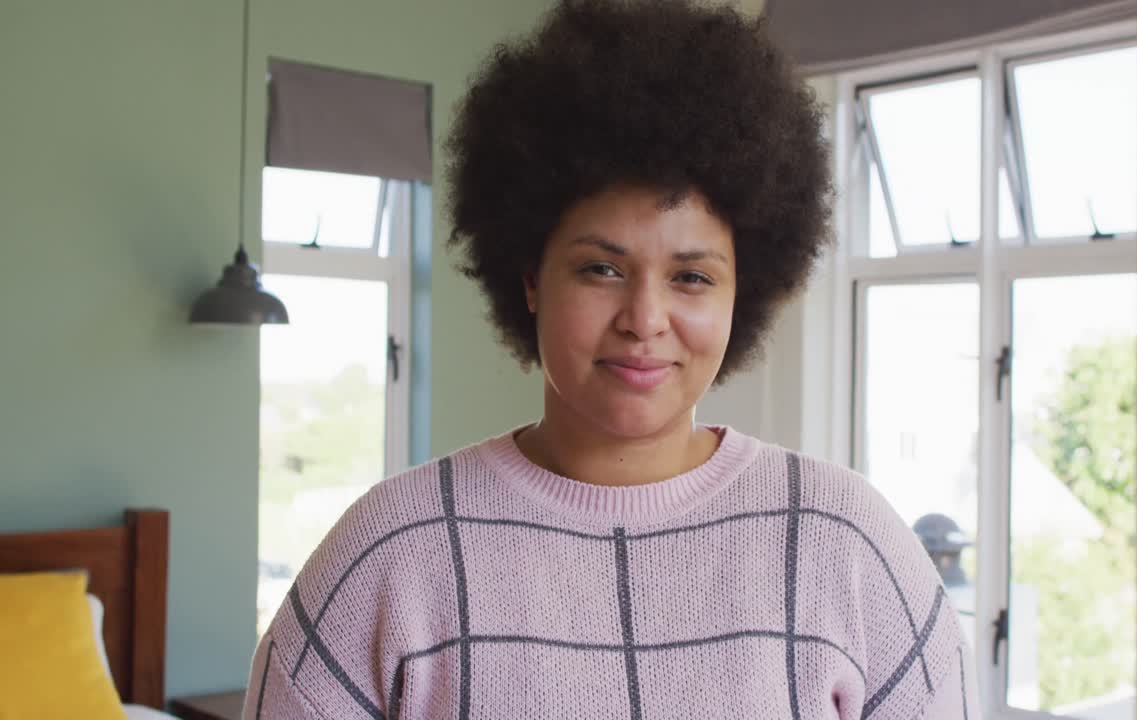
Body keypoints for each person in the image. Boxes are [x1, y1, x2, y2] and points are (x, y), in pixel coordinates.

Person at [244, 1, 978, 717]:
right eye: (601, 269)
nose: (644, 321)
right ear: (530, 277)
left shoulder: (847, 544)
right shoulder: (388, 553)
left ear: (741, 293)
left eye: (691, 277)